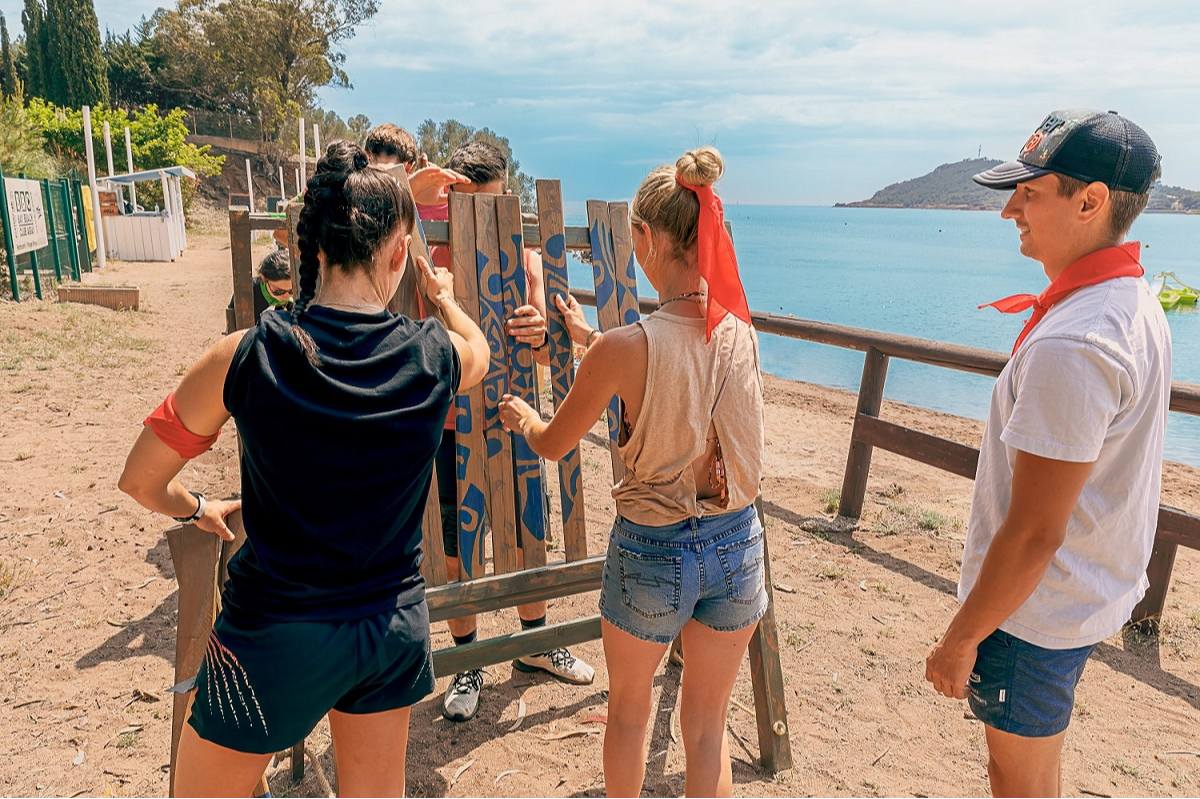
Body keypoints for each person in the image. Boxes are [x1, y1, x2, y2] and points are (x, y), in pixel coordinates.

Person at [118, 140, 489, 797]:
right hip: (390, 629)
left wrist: (197, 508)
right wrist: (445, 297)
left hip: (273, 636)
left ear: (313, 249)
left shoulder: (247, 354)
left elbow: (141, 479)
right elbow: (478, 348)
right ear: (399, 253)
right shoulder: (435, 356)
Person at [499, 146, 766, 798]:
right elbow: (683, 374)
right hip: (737, 542)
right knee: (706, 726)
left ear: (643, 237)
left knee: (627, 713)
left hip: (652, 548)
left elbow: (554, 442)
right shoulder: (740, 329)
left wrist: (525, 418)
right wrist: (587, 337)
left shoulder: (625, 349)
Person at [925, 110, 1170, 798]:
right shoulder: (1129, 299)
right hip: (1077, 593)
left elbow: (1035, 531)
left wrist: (960, 638)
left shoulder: (1077, 340)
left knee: (1017, 777)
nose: (1011, 211)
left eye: (1030, 194)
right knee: (1033, 769)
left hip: (1035, 613)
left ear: (1090, 202)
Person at [431, 139, 595, 723]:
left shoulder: (529, 261)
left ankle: (534, 644)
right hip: (449, 427)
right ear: (453, 197)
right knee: (459, 551)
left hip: (516, 418)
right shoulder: (430, 259)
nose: (484, 216)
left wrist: (541, 335)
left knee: (530, 537)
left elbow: (555, 353)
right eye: (473, 204)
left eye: (495, 204)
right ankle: (467, 661)